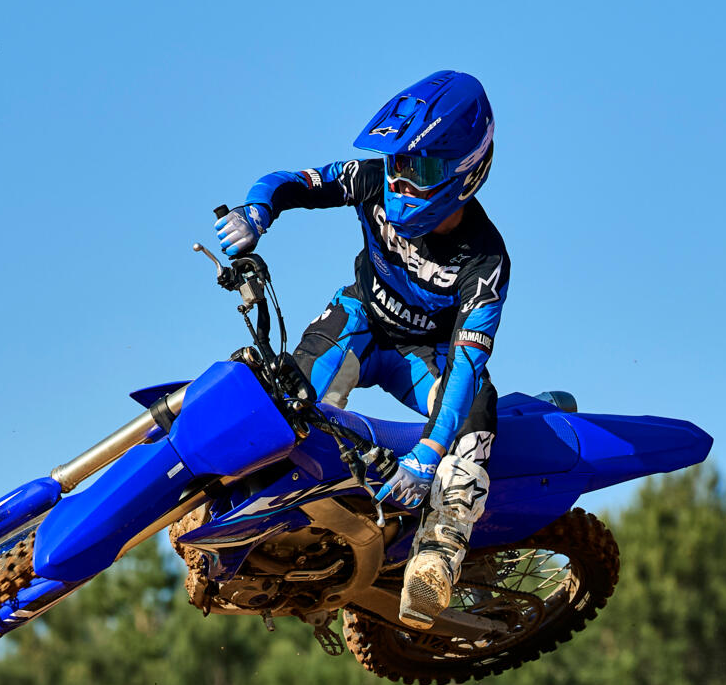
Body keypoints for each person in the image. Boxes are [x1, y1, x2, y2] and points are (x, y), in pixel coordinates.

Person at [214, 70, 507, 629]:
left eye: (419, 168)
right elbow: (292, 181)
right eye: (396, 161)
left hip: (425, 355)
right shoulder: (372, 179)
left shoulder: (485, 260)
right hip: (359, 323)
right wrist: (255, 212)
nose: (399, 179)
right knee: (282, 404)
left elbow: (470, 359)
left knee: (476, 409)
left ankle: (439, 550)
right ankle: (261, 514)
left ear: (466, 171)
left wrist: (428, 454)